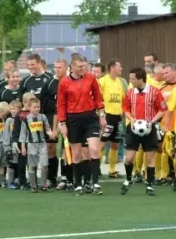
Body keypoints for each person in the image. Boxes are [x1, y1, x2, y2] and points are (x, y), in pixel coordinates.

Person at [57, 53, 105, 195]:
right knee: (76, 154)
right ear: (72, 67)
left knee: (94, 149)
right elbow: (61, 104)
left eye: (84, 66)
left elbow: (98, 97)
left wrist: (102, 115)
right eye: (79, 67)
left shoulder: (91, 78)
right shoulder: (64, 82)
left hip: (90, 117)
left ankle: (95, 183)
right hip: (73, 119)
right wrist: (63, 123)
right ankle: (78, 184)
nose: (82, 69)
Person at [121, 67, 167, 196]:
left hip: (149, 129)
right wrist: (132, 119)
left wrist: (152, 121)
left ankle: (150, 184)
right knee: (129, 158)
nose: (130, 81)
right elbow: (125, 109)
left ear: (140, 79)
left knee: (150, 158)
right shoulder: (129, 93)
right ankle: (129, 179)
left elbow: (163, 109)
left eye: (132, 79)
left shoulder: (155, 92)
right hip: (133, 128)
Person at [40, 59, 67, 187]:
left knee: (67, 148)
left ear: (66, 68)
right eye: (55, 67)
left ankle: (66, 178)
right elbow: (41, 102)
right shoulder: (49, 83)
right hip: (51, 118)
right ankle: (52, 177)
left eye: (60, 67)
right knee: (51, 147)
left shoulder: (69, 82)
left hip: (68, 117)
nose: (57, 70)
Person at [19, 98, 54, 192]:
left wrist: (51, 134)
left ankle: (43, 184)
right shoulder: (26, 119)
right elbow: (23, 134)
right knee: (32, 165)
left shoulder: (43, 117)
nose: (37, 109)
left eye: (38, 107)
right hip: (31, 144)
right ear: (29, 108)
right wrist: (23, 147)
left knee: (44, 165)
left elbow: (47, 128)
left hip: (42, 143)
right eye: (35, 107)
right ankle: (33, 185)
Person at [98, 59, 125, 179]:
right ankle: (96, 169)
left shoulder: (119, 82)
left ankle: (112, 170)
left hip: (117, 117)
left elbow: (123, 99)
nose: (121, 69)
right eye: (119, 67)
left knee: (115, 144)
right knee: (102, 144)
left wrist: (122, 112)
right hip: (106, 116)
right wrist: (101, 116)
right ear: (113, 68)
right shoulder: (102, 81)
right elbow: (97, 99)